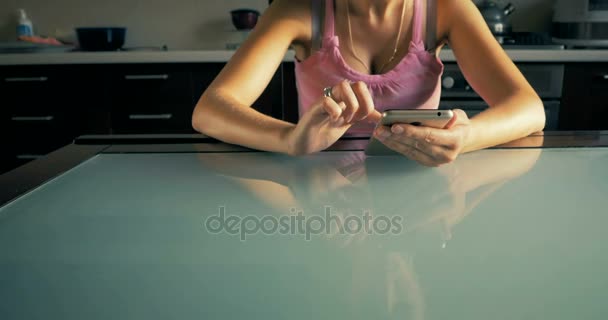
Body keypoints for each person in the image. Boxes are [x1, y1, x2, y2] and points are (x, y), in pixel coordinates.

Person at [191, 0, 545, 167]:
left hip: (414, 185)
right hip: (322, 197)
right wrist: (289, 138)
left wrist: (466, 137)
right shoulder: (295, 10)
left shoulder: (447, 8)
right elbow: (210, 109)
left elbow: (529, 108)